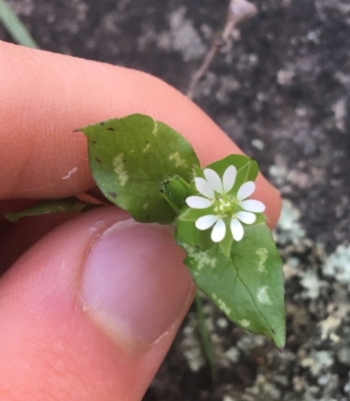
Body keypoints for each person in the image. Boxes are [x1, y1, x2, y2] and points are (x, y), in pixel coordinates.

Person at [0, 40, 281, 400]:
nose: (227, 206)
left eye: (230, 205)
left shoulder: (223, 208)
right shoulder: (205, 198)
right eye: (226, 204)